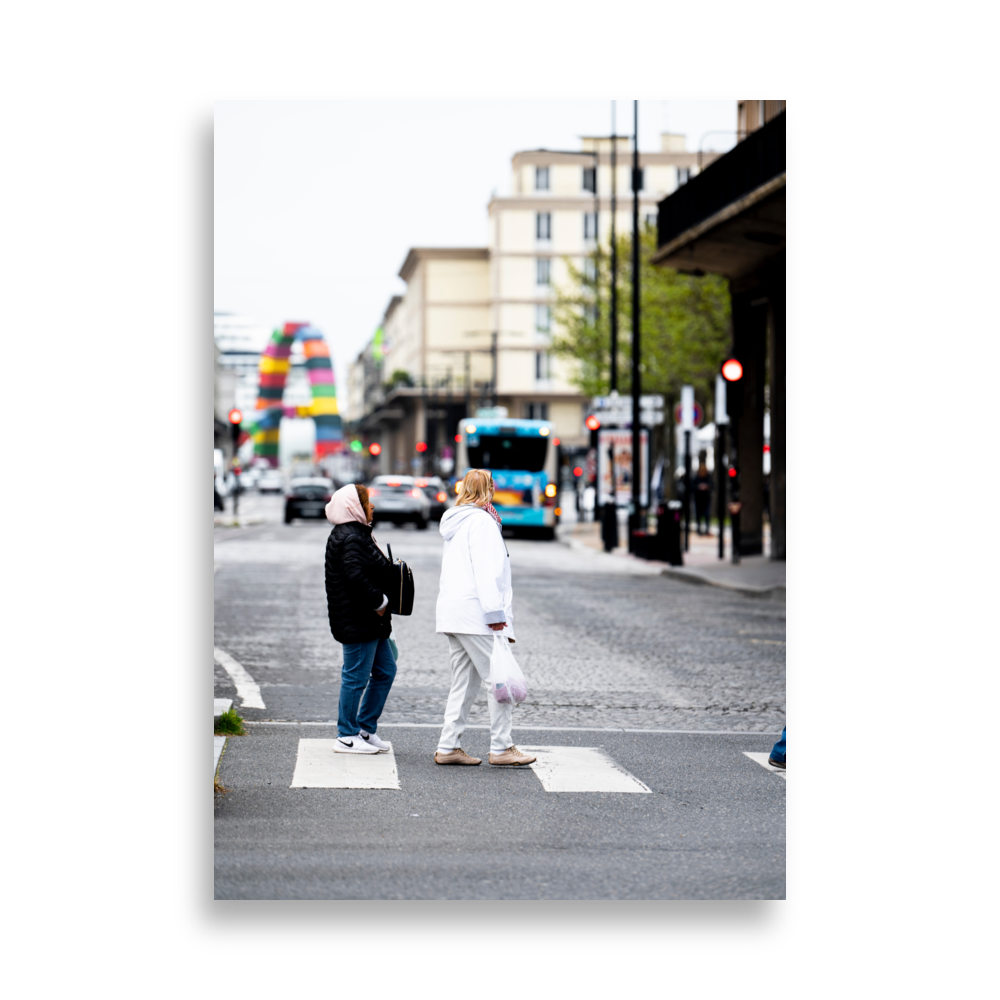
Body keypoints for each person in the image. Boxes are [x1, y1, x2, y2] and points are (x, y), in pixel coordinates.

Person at [433, 469, 536, 768]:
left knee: (463, 683)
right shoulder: (483, 523)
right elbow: (488, 572)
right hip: (476, 613)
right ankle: (502, 746)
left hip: (454, 612)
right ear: (488, 489)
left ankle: (449, 745)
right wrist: (495, 614)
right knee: (499, 680)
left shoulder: (457, 520)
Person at [324, 483, 397, 754]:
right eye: (368, 502)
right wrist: (380, 602)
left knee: (385, 671)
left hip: (369, 621)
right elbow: (354, 576)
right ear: (355, 507)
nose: (372, 506)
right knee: (355, 676)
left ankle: (365, 730)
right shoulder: (351, 536)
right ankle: (346, 735)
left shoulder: (357, 532)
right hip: (359, 619)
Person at [692, 450, 712, 536]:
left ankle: (707, 529)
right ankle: (699, 529)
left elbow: (712, 485)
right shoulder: (696, 477)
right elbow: (692, 486)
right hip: (698, 498)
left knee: (707, 514)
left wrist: (707, 486)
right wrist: (698, 487)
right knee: (698, 515)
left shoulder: (708, 477)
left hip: (706, 498)